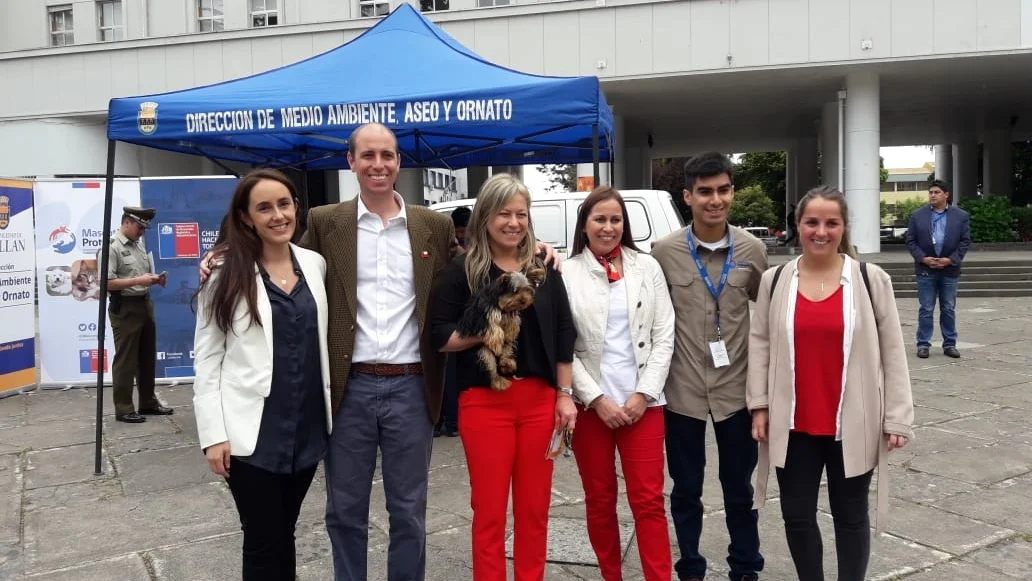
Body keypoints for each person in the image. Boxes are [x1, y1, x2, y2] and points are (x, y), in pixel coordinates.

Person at [748, 185, 914, 581]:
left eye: (831, 223)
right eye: (812, 222)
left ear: (843, 228)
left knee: (851, 516)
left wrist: (897, 416)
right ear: (798, 225)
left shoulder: (870, 279)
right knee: (797, 516)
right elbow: (760, 343)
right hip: (794, 423)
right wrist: (759, 405)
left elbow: (893, 350)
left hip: (853, 423)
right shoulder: (775, 280)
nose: (820, 231)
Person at [428, 173, 577, 581]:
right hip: (484, 403)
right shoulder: (464, 270)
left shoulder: (543, 267)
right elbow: (438, 336)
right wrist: (491, 323)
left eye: (521, 214)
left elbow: (565, 332)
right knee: (489, 513)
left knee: (534, 511)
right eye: (504, 214)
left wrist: (565, 395)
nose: (513, 222)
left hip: (539, 402)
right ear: (485, 217)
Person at [193, 169, 332, 580]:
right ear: (246, 217)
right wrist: (212, 434)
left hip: (306, 430)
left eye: (284, 204)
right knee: (261, 538)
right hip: (251, 434)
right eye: (264, 208)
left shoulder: (315, 264)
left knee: (284, 531)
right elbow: (207, 358)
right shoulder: (225, 273)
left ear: (296, 209)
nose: (277, 215)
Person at [650, 152, 767, 581]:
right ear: (687, 196)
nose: (714, 200)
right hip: (682, 392)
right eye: (704, 192)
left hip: (736, 392)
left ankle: (746, 568)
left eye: (722, 190)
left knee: (740, 491)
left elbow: (767, 319)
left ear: (732, 193)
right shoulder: (664, 252)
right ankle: (691, 567)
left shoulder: (753, 251)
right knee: (685, 491)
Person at [562, 187, 675, 581]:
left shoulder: (648, 268)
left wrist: (643, 394)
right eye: (599, 219)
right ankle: (611, 574)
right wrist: (596, 398)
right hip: (590, 408)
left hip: (643, 405)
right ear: (585, 225)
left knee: (648, 502)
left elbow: (665, 336)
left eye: (615, 219)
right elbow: (563, 347)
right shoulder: (567, 271)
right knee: (599, 499)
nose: (608, 227)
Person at [102, 206, 172, 423]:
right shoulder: (111, 247)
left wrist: (154, 279)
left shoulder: (138, 245)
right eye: (139, 227)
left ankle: (148, 402)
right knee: (126, 360)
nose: (142, 231)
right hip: (125, 307)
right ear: (127, 223)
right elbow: (107, 282)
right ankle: (124, 408)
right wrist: (138, 281)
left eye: (144, 228)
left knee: (146, 357)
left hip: (144, 304)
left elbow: (140, 275)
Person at [905, 179, 971, 359]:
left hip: (949, 269)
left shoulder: (960, 216)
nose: (932, 195)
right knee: (926, 308)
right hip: (926, 269)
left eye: (937, 192)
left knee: (948, 308)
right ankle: (923, 344)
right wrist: (923, 258)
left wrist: (950, 260)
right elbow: (910, 241)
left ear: (946, 195)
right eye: (931, 192)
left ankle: (949, 344)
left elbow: (965, 241)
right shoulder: (918, 215)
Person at [435, 205, 473, 438]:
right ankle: (447, 421)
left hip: (467, 317)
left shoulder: (474, 250)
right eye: (457, 230)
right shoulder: (454, 250)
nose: (460, 234)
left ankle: (451, 421)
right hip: (452, 319)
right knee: (448, 372)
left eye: (463, 230)